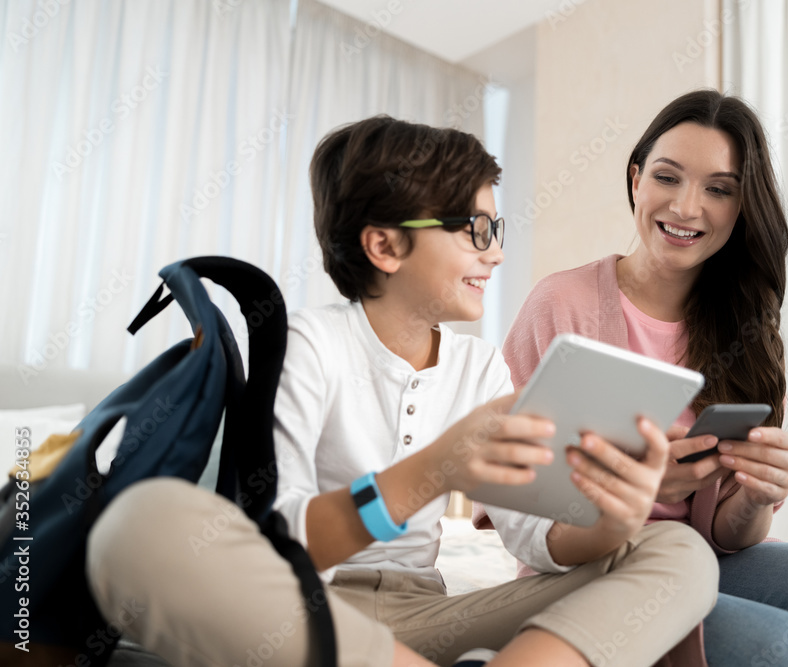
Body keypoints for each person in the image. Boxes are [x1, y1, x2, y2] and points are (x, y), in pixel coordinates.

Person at [86, 115, 719, 667]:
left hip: (427, 618)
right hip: (307, 608)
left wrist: (612, 520)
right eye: (476, 230)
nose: (494, 256)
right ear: (385, 245)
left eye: (498, 233)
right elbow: (279, 539)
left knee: (677, 550)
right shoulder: (308, 344)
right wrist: (434, 469)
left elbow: (536, 541)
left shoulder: (481, 371)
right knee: (137, 529)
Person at [480, 89, 788, 666]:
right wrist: (637, 488)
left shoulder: (748, 328)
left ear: (742, 208)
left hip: (707, 557)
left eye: (719, 189)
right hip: (594, 572)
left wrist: (759, 496)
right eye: (668, 177)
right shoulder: (560, 306)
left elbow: (730, 534)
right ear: (636, 180)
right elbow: (517, 498)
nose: (688, 208)